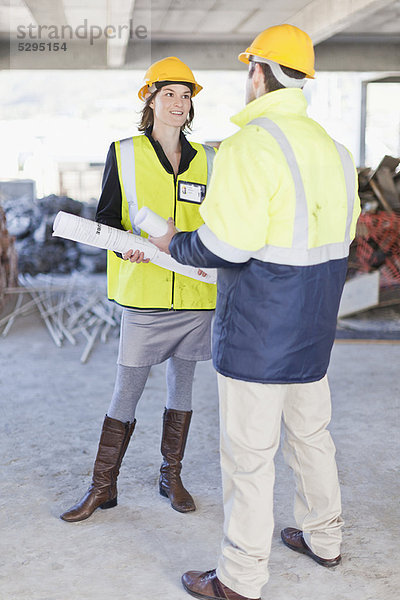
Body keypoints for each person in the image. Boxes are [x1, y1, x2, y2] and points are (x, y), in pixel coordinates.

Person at [150, 25, 361, 600]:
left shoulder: (249, 146)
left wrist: (175, 242)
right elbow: (338, 241)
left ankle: (240, 578)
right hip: (314, 330)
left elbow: (225, 245)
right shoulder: (337, 153)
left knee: (249, 457)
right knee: (312, 437)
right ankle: (325, 537)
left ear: (257, 73)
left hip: (258, 332)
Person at [60, 57, 217, 523]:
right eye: (169, 93)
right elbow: (106, 218)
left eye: (186, 95)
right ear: (150, 100)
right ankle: (102, 486)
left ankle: (172, 475)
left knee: (183, 390)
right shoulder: (125, 151)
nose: (179, 103)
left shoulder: (208, 158)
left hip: (194, 295)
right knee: (126, 390)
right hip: (145, 295)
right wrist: (122, 247)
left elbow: (219, 223)